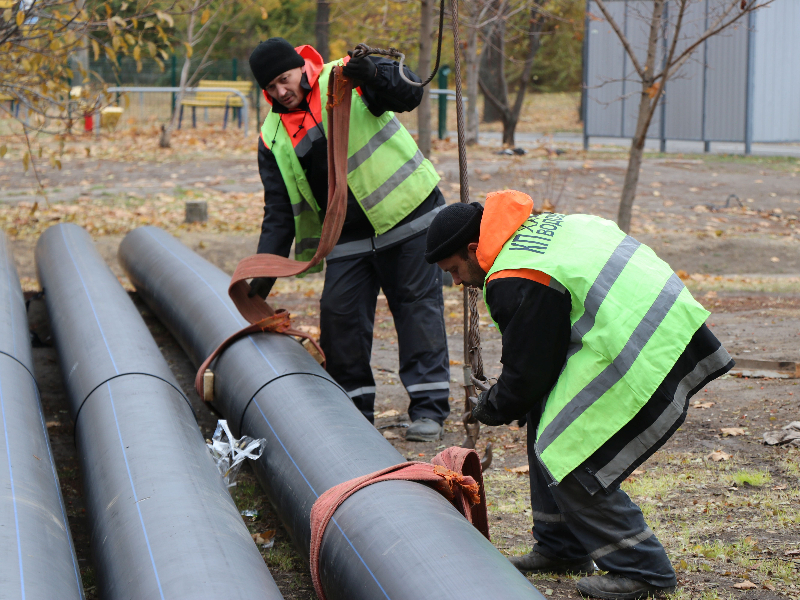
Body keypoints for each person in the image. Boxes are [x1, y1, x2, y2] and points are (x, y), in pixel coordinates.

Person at [424, 190, 734, 600]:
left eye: (455, 269)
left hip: (641, 343)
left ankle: (644, 570)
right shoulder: (527, 231)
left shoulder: (513, 276)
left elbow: (528, 371)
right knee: (545, 415)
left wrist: (492, 406)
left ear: (471, 248)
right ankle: (562, 548)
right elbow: (541, 363)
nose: (457, 282)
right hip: (655, 321)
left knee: (569, 449)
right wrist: (515, 399)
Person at [247, 38, 450, 441]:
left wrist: (374, 74)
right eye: (270, 87)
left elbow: (409, 94)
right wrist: (259, 284)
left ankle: (429, 410)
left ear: (300, 68)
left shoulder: (345, 76)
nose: (281, 92)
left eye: (284, 79)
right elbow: (279, 214)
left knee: (416, 309)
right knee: (339, 318)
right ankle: (355, 412)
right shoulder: (271, 137)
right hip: (344, 236)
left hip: (407, 216)